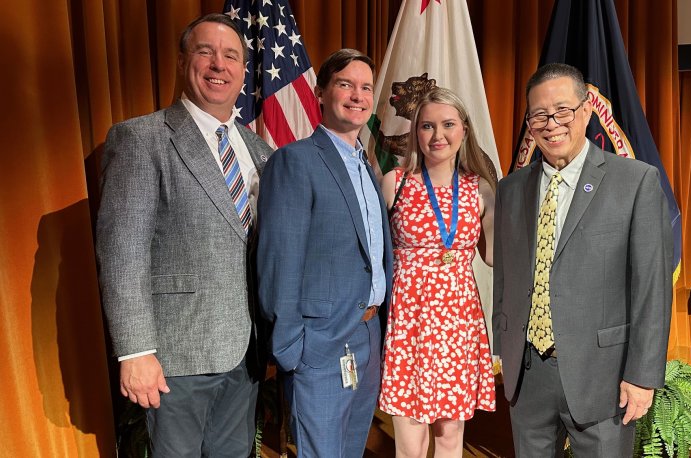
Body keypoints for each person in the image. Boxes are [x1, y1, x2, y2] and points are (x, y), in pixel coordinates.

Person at [95, 13, 273, 456]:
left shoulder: (261, 151)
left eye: (231, 55)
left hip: (246, 353)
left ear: (243, 71)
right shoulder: (142, 139)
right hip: (176, 357)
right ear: (182, 62)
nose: (219, 64)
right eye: (205, 52)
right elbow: (123, 253)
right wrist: (135, 351)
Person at [492, 63, 673, 457]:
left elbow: (652, 288)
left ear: (587, 110)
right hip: (528, 375)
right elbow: (506, 277)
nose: (551, 123)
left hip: (603, 377)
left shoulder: (635, 182)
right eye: (539, 114)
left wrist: (642, 376)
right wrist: (502, 344)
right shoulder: (511, 188)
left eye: (562, 110)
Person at [256, 48, 392, 458]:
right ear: (320, 93)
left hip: (368, 336)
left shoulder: (366, 165)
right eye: (345, 84)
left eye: (366, 87)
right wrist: (293, 350)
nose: (358, 95)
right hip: (320, 343)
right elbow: (279, 261)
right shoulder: (295, 161)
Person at [379, 87, 497, 457]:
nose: (437, 135)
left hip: (457, 325)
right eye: (427, 126)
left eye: (448, 124)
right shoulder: (394, 182)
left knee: (449, 436)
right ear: (416, 132)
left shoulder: (481, 189)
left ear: (464, 129)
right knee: (410, 443)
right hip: (409, 323)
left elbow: (494, 255)